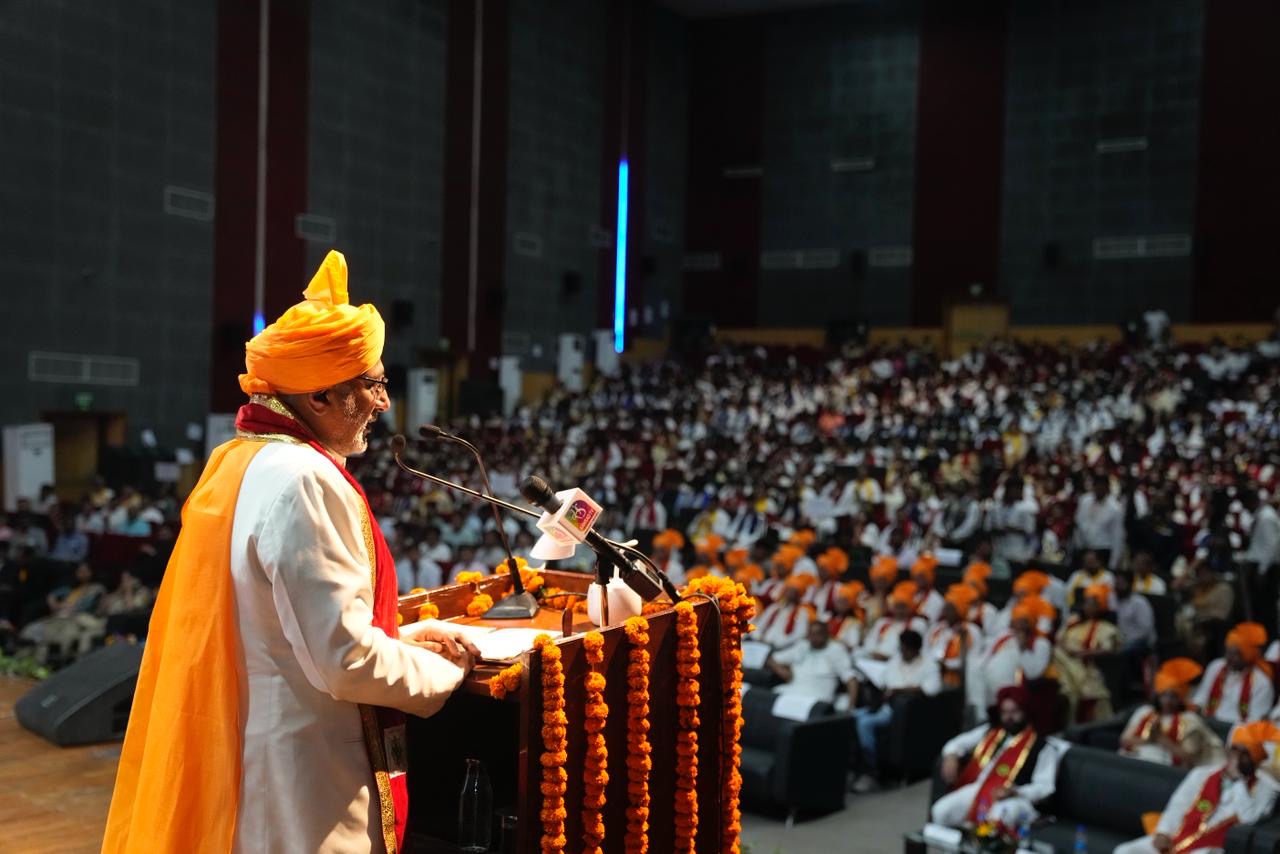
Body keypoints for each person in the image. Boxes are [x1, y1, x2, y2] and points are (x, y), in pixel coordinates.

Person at [104, 251, 481, 854]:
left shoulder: (239, 460)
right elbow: (344, 661)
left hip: (260, 751)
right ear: (321, 397)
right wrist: (450, 671)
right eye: (373, 383)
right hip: (307, 785)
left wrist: (403, 639)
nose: (383, 403)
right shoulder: (304, 479)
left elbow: (283, 628)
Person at [1113, 722, 1280, 854]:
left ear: (1256, 760)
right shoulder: (1203, 773)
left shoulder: (1267, 789)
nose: (1238, 757)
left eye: (1246, 753)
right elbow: (1179, 804)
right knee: (1125, 851)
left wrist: (1239, 782)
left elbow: (1249, 820)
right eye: (1235, 750)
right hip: (1178, 835)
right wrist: (1163, 832)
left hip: (1213, 848)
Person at [932, 685, 1064, 830]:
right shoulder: (992, 732)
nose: (1009, 717)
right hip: (980, 789)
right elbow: (957, 743)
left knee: (995, 822)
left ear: (1026, 712)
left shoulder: (1043, 747)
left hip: (1015, 799)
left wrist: (1015, 791)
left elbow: (1045, 787)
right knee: (940, 811)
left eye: (1015, 712)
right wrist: (951, 755)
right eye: (1005, 712)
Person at [850, 629, 941, 793]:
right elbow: (884, 679)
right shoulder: (896, 659)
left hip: (904, 712)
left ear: (915, 649)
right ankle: (853, 766)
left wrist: (900, 691)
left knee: (864, 724)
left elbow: (932, 689)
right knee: (851, 717)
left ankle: (871, 770)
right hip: (883, 704)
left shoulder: (929, 665)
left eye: (906, 649)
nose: (902, 652)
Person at [1120, 658, 1224, 768]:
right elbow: (1125, 740)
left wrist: (1161, 738)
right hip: (1137, 761)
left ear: (1181, 698)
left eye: (1173, 696)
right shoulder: (1145, 712)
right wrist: (1150, 738)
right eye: (1164, 695)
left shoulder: (1190, 720)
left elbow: (1188, 756)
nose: (1168, 701)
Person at [974, 596, 1054, 716]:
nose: (1019, 626)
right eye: (1016, 621)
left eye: (1023, 622)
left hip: (1014, 689)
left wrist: (1022, 649)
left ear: (1031, 624)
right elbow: (986, 657)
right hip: (987, 684)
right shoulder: (1004, 636)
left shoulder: (1041, 643)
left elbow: (1033, 673)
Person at [1191, 622, 1274, 724]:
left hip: (1236, 729)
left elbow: (1255, 721)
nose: (1228, 658)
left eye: (1235, 655)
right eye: (1227, 652)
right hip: (1208, 721)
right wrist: (1194, 710)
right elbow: (1201, 697)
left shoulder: (1262, 683)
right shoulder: (1216, 666)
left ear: (1248, 656)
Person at [926, 584, 983, 688]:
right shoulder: (937, 628)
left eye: (950, 609)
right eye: (945, 608)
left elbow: (972, 661)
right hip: (931, 673)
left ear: (960, 610)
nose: (945, 612)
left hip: (957, 678)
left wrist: (946, 665)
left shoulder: (972, 631)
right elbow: (926, 650)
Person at [861, 580, 928, 661]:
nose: (900, 610)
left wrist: (889, 657)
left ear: (910, 608)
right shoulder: (882, 622)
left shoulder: (918, 623)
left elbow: (914, 648)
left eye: (903, 607)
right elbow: (870, 641)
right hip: (874, 659)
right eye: (897, 606)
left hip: (899, 662)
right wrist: (875, 654)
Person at [1072, 475, 1125, 569]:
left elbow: (1117, 536)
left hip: (1102, 550)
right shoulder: (1085, 500)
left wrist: (1113, 562)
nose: (1099, 490)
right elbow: (1078, 524)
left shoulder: (1115, 508)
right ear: (1093, 487)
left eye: (1102, 487)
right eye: (1097, 486)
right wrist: (1078, 547)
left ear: (1107, 488)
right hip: (1084, 548)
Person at [754, 574, 816, 649]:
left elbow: (800, 635)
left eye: (794, 591)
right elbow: (759, 626)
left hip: (784, 648)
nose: (790, 594)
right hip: (762, 644)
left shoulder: (802, 613)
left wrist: (780, 644)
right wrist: (759, 638)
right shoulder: (774, 608)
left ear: (799, 595)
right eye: (789, 590)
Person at [1115, 571, 1157, 654]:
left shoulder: (1139, 602)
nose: (1117, 587)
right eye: (1116, 584)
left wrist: (1126, 641)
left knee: (1120, 652)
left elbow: (1145, 631)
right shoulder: (1116, 601)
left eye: (1121, 584)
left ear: (1130, 584)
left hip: (1141, 642)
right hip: (1122, 640)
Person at [910, 554, 945, 624]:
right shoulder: (907, 592)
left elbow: (928, 622)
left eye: (922, 576)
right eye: (916, 575)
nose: (918, 579)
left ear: (930, 577)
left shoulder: (937, 599)